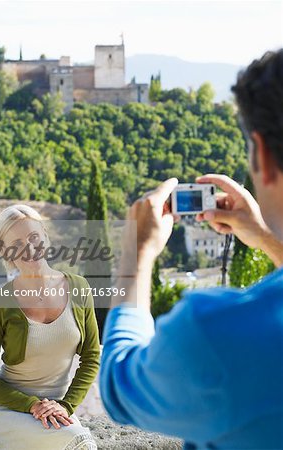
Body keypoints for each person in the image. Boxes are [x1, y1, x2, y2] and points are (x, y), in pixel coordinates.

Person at [99, 49, 283, 449]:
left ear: (262, 155)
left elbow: (118, 383)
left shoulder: (219, 333)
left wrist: (136, 256)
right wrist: (268, 239)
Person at [0, 204, 100, 450]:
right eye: (17, 243)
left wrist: (66, 405)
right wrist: (32, 405)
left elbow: (92, 356)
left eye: (34, 237)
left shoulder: (79, 288)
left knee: (79, 441)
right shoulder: (0, 300)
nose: (29, 248)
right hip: (10, 412)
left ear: (45, 234)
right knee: (81, 445)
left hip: (57, 410)